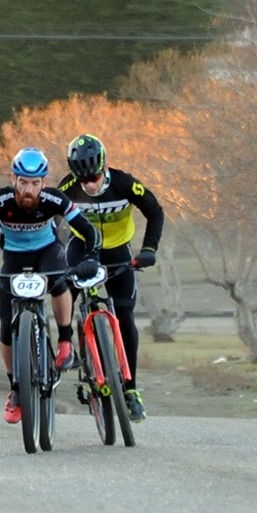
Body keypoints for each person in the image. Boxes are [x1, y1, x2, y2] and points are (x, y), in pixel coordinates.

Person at [0, 148, 101, 426]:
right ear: (13, 178)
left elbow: (88, 231)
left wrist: (92, 258)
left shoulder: (53, 199)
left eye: (35, 183)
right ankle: (15, 389)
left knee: (59, 281)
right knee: (5, 324)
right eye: (23, 182)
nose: (29, 189)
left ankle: (63, 340)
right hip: (13, 257)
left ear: (44, 183)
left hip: (47, 251)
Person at [57, 134, 163, 423]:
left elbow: (154, 212)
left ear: (104, 166)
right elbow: (50, 222)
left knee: (125, 317)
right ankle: (69, 347)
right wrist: (55, 257)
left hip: (118, 252)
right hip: (81, 248)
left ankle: (130, 389)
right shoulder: (66, 188)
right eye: (83, 179)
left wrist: (149, 249)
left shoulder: (124, 183)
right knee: (62, 295)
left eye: (94, 176)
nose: (89, 184)